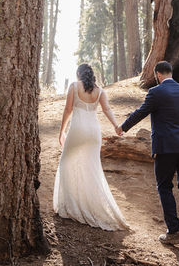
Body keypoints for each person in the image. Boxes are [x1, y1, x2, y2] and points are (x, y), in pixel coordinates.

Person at [120, 60, 179, 249]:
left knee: (165, 187)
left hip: (166, 147)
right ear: (170, 73)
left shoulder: (156, 92)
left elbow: (141, 113)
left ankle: (175, 232)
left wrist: (123, 127)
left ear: (159, 75)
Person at [53, 63, 128, 231]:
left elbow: (67, 109)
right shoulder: (100, 90)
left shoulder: (74, 86)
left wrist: (61, 132)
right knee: (92, 169)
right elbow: (107, 109)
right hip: (94, 133)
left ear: (78, 74)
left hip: (78, 130)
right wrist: (117, 126)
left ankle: (70, 205)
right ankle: (91, 205)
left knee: (66, 163)